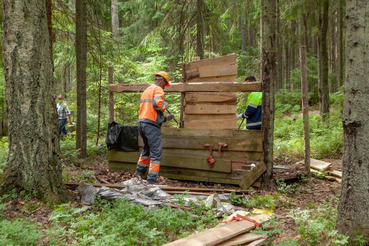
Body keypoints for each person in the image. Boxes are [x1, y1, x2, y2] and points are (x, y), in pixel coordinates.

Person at [135, 71, 175, 184]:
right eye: (165, 84)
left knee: (147, 149)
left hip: (142, 123)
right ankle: (151, 181)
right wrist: (164, 106)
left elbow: (151, 112)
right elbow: (157, 105)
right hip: (151, 126)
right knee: (156, 153)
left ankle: (139, 174)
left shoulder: (147, 90)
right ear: (162, 81)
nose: (165, 87)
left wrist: (167, 118)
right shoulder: (158, 89)